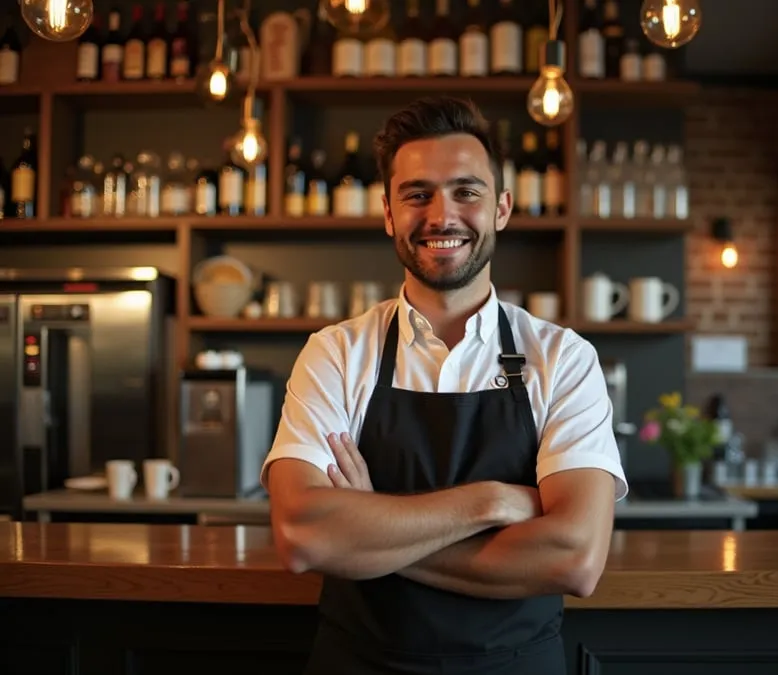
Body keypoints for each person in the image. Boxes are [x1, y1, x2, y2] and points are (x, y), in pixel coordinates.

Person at [262, 95, 628, 675]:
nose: (441, 215)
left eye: (466, 191)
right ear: (388, 213)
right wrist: (494, 501)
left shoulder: (563, 359)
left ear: (502, 208)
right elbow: (305, 536)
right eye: (417, 195)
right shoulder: (337, 352)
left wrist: (368, 526)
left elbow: (575, 558)